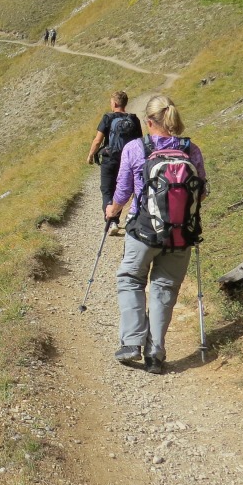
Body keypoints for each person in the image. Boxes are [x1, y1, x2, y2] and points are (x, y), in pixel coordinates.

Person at [104, 95, 208, 374]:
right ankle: (155, 352)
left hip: (143, 231)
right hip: (181, 234)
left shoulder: (135, 148)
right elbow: (203, 192)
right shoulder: (191, 149)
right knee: (165, 288)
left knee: (130, 279)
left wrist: (112, 210)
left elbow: (124, 191)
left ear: (149, 122)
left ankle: (131, 342)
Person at [86, 91, 142, 236]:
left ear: (115, 103)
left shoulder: (108, 117)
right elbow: (139, 142)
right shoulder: (134, 119)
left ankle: (111, 222)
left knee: (106, 189)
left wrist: (91, 155)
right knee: (121, 189)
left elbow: (98, 140)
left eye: (111, 102)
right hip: (127, 161)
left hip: (110, 159)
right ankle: (116, 218)